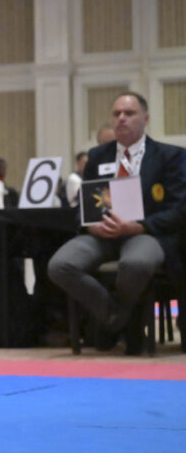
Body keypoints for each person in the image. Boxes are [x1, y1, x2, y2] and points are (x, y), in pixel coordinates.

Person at [48, 92, 186, 354]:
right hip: (101, 234)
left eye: (129, 113)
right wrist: (89, 225)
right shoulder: (97, 156)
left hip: (145, 233)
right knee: (60, 265)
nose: (121, 118)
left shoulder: (169, 156)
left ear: (146, 119)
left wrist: (140, 226)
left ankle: (114, 324)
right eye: (116, 114)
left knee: (136, 264)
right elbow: (82, 205)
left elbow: (180, 209)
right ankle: (118, 318)